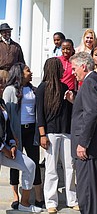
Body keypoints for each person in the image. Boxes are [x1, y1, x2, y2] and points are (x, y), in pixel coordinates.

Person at [69, 52, 97, 214]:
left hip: (89, 148)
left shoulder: (89, 83)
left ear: (83, 66)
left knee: (87, 194)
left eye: (74, 68)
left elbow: (91, 114)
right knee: (95, 194)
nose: (73, 72)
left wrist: (83, 143)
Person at [36, 57, 78, 214]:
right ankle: (51, 202)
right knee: (51, 168)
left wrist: (71, 100)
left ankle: (72, 199)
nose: (63, 69)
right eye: (60, 67)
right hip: (50, 133)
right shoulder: (42, 88)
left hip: (66, 132)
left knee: (70, 166)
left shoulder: (65, 87)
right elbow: (39, 113)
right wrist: (42, 134)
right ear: (54, 68)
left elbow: (70, 111)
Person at [2, 63, 43, 210]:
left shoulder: (33, 90)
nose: (31, 72)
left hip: (31, 130)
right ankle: (15, 196)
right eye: (27, 70)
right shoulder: (10, 90)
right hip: (16, 131)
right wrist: (10, 137)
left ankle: (38, 196)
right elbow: (6, 116)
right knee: (15, 163)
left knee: (34, 162)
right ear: (19, 73)